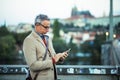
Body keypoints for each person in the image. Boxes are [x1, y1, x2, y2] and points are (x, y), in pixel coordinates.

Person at [23, 14, 68, 80]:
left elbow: (53, 58)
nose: (48, 30)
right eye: (45, 27)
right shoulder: (29, 40)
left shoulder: (48, 38)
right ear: (37, 25)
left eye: (49, 27)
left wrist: (60, 58)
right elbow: (33, 66)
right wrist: (53, 61)